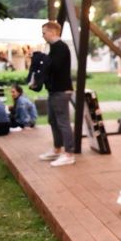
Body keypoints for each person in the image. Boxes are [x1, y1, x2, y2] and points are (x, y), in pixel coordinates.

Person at [39, 20, 75, 167]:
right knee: (53, 120)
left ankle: (69, 154)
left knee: (63, 122)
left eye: (44, 33)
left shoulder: (60, 47)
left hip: (61, 91)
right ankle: (57, 149)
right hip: (54, 91)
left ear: (52, 32)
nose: (42, 35)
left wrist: (42, 62)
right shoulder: (54, 48)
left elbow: (55, 68)